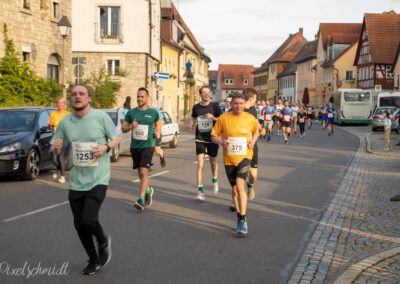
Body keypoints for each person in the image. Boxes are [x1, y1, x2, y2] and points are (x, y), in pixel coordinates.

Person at [51, 84, 122, 275]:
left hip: (99, 178)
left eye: (81, 94)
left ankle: (103, 241)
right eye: (74, 94)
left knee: (89, 218)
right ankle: (93, 259)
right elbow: (56, 146)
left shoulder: (100, 117)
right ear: (70, 99)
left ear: (89, 98)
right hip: (76, 180)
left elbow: (117, 137)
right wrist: (56, 148)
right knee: (79, 223)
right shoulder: (65, 122)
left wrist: (105, 148)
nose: (77, 97)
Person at [211, 93, 259, 235]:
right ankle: (239, 216)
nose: (238, 106)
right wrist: (221, 142)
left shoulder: (250, 118)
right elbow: (213, 136)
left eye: (241, 104)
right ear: (231, 104)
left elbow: (257, 131)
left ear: (244, 105)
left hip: (245, 156)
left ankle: (242, 220)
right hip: (229, 159)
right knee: (234, 190)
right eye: (236, 103)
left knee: (240, 186)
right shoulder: (223, 118)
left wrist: (252, 142)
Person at [122, 87, 161, 211]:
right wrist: (131, 127)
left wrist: (158, 132)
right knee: (140, 173)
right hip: (135, 147)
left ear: (147, 97)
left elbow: (158, 122)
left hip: (148, 146)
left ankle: (141, 199)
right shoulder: (132, 112)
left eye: (142, 96)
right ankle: (148, 190)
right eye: (138, 96)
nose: (139, 99)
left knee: (144, 172)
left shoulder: (153, 112)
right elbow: (123, 128)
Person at [189, 85, 222, 201]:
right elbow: (193, 117)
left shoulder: (215, 106)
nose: (207, 94)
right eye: (204, 93)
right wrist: (192, 123)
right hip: (200, 138)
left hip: (212, 138)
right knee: (200, 164)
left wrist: (213, 117)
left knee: (213, 162)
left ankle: (215, 180)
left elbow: (222, 119)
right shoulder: (196, 107)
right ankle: (200, 191)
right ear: (200, 95)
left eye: (208, 92)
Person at [243, 88, 262, 200]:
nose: (256, 100)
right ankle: (236, 200)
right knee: (240, 175)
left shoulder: (253, 109)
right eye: (255, 98)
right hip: (241, 147)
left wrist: (261, 128)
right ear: (251, 98)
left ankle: (250, 186)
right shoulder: (238, 110)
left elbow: (255, 122)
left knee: (253, 176)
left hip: (252, 146)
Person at [48, 98, 70, 183]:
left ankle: (62, 176)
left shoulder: (68, 114)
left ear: (64, 104)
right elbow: (50, 126)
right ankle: (59, 170)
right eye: (58, 103)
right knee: (54, 159)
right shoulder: (53, 113)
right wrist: (51, 125)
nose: (60, 104)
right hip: (55, 138)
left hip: (65, 138)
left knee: (60, 157)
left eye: (61, 103)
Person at [147, 96, 166, 168]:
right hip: (147, 134)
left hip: (155, 133)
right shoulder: (143, 110)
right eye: (146, 100)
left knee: (156, 149)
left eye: (148, 100)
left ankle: (162, 157)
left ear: (151, 101)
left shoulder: (155, 111)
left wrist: (157, 131)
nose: (147, 102)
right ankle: (147, 165)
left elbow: (160, 122)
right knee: (148, 149)